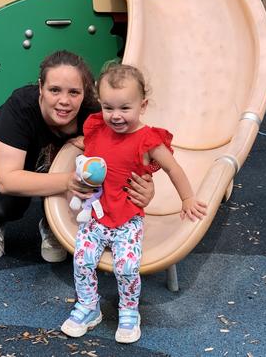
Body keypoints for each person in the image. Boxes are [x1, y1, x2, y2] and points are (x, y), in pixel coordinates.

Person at [60, 64, 207, 343]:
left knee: (126, 266)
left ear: (143, 105)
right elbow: (91, 149)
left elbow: (174, 169)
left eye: (125, 108)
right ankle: (89, 307)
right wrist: (80, 146)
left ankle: (129, 310)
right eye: (108, 107)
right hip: (96, 215)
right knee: (82, 260)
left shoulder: (147, 139)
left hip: (127, 218)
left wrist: (187, 198)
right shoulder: (96, 128)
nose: (115, 116)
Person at [0, 51, 155, 262]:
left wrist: (146, 187)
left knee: (95, 175)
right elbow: (7, 180)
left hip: (56, 158)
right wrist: (69, 181)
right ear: (41, 87)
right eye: (54, 90)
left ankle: (50, 222)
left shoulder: (97, 113)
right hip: (17, 153)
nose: (64, 101)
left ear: (85, 92)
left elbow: (129, 153)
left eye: (74, 93)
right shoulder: (21, 107)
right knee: (6, 201)